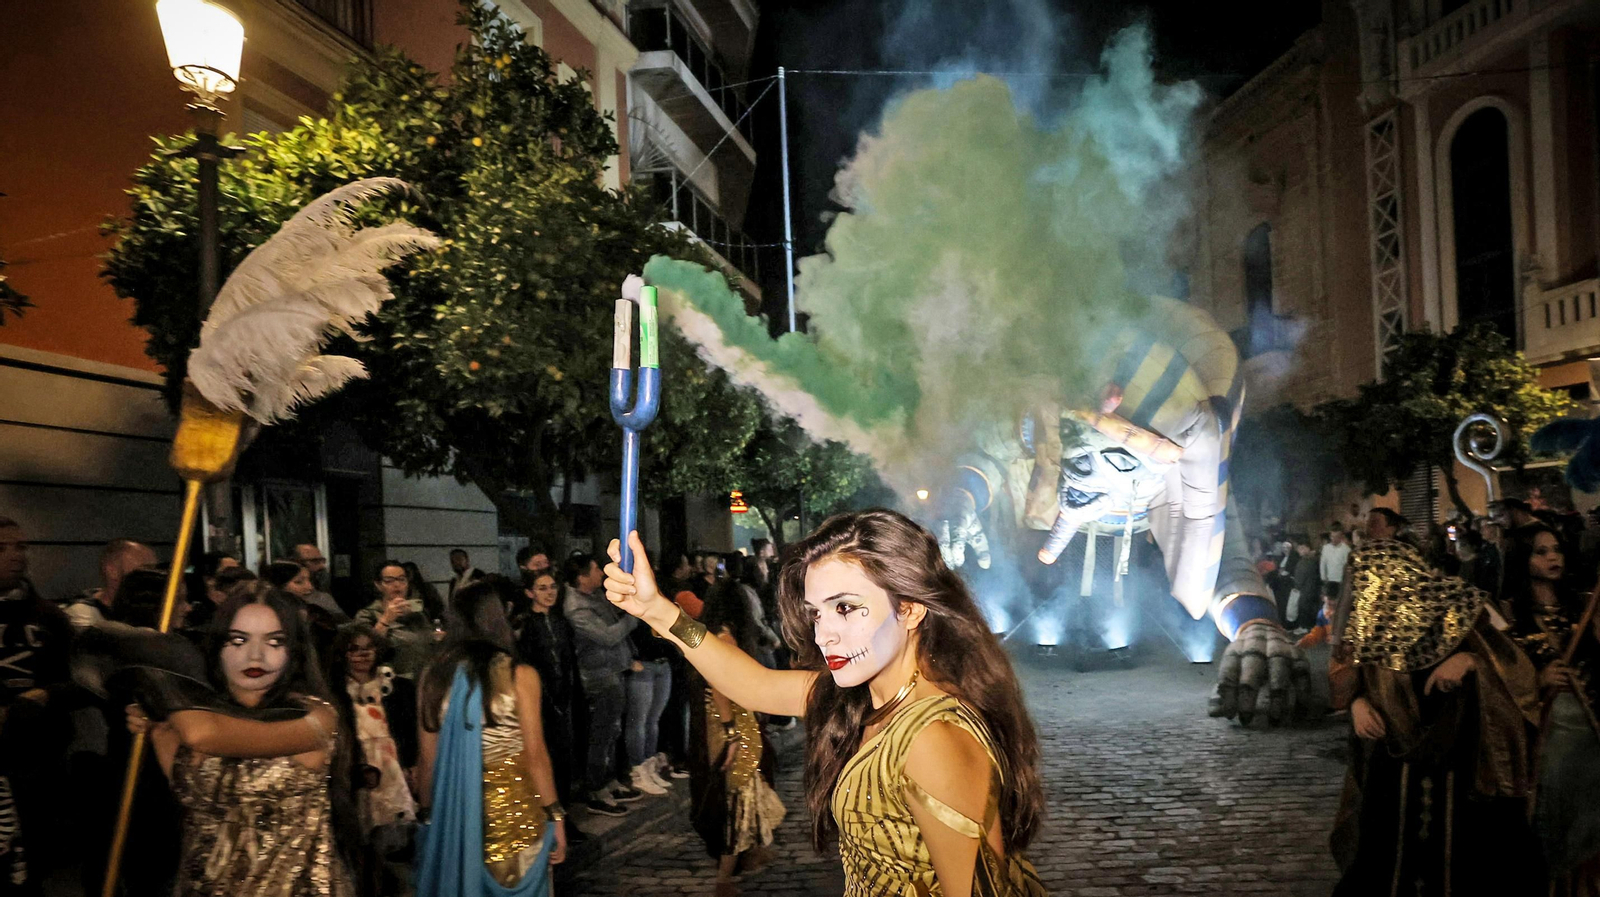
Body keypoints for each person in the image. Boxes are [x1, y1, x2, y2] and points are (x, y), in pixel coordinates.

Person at [604, 510, 1047, 897]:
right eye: (817, 612)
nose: (824, 634)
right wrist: (658, 612)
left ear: (910, 609)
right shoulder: (864, 697)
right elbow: (754, 684)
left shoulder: (933, 738)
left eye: (847, 608)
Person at [1329, 537, 1543, 896]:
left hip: (1459, 762)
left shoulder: (1461, 603)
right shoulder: (1373, 620)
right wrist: (1357, 704)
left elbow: (1518, 671)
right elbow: (1357, 679)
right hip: (1392, 764)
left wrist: (1470, 661)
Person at [124, 585, 360, 896]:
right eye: (238, 640)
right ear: (217, 645)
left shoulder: (316, 718)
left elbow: (204, 736)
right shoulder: (185, 721)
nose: (255, 655)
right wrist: (151, 719)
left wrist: (160, 691)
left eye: (275, 641)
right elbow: (186, 790)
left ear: (295, 651)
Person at [416, 576, 567, 896]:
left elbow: (427, 759)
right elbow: (536, 756)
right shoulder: (519, 675)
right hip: (516, 821)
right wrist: (556, 816)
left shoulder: (434, 675)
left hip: (456, 821)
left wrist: (429, 818)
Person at [1500, 525, 1600, 893]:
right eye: (1541, 551)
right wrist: (1537, 680)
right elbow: (1497, 679)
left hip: (1590, 734)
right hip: (1543, 737)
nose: (1552, 557)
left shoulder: (1583, 607)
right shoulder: (1507, 614)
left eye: (1556, 549)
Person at [692, 571, 787, 897]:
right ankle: (724, 877)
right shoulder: (725, 638)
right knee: (738, 797)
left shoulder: (714, 633)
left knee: (746, 791)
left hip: (730, 717)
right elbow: (720, 687)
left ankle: (745, 858)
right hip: (730, 720)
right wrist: (732, 733)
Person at [0, 517, 75, 892]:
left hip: (36, 759)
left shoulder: (50, 617)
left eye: (20, 547)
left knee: (35, 862)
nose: (15, 556)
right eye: (3, 548)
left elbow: (76, 683)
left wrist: (45, 695)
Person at [564, 552, 644, 815]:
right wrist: (632, 618)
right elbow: (608, 635)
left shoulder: (594, 596)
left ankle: (609, 782)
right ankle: (596, 789)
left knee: (613, 732)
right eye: (596, 569)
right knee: (601, 734)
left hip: (614, 669)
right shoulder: (576, 606)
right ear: (582, 576)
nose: (601, 573)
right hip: (599, 676)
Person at [327, 625, 417, 847]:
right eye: (354, 649)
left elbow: (410, 729)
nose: (362, 655)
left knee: (396, 839)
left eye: (368, 648)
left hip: (393, 767)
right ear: (343, 654)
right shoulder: (333, 692)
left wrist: (412, 764)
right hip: (356, 770)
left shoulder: (397, 687)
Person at [513, 570, 585, 839]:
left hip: (564, 700)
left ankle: (563, 816)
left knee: (565, 761)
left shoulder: (560, 622)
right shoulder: (526, 625)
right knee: (547, 758)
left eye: (552, 586)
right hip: (541, 704)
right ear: (530, 592)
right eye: (542, 588)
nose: (549, 592)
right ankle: (548, 818)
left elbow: (569, 664)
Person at [356, 560, 437, 679]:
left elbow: (428, 641)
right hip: (391, 680)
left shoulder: (417, 614)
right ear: (378, 585)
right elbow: (364, 649)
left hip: (424, 678)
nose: (397, 585)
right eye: (389, 581)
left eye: (402, 579)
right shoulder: (367, 614)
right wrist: (386, 620)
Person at [66, 538, 158, 629]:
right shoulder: (84, 613)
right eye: (144, 569)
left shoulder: (148, 609)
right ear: (112, 571)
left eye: (153, 569)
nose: (152, 576)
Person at [1319, 528, 1351, 606]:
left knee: (1338, 603)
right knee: (1327, 603)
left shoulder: (1346, 549)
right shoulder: (1326, 548)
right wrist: (1323, 577)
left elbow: (1347, 566)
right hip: (1329, 580)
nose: (1334, 539)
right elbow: (1323, 563)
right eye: (1332, 536)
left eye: (1336, 537)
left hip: (1340, 581)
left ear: (1341, 537)